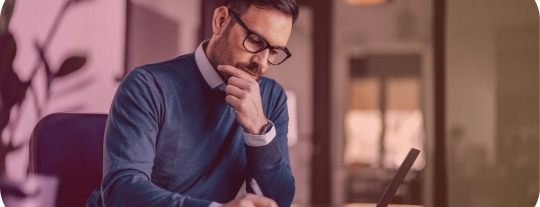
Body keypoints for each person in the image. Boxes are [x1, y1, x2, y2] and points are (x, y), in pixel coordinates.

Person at [86, 0, 299, 206]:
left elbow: (277, 202)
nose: (261, 62)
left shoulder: (272, 97)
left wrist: (258, 128)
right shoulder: (147, 85)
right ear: (221, 20)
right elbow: (121, 192)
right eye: (254, 40)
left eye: (273, 52)